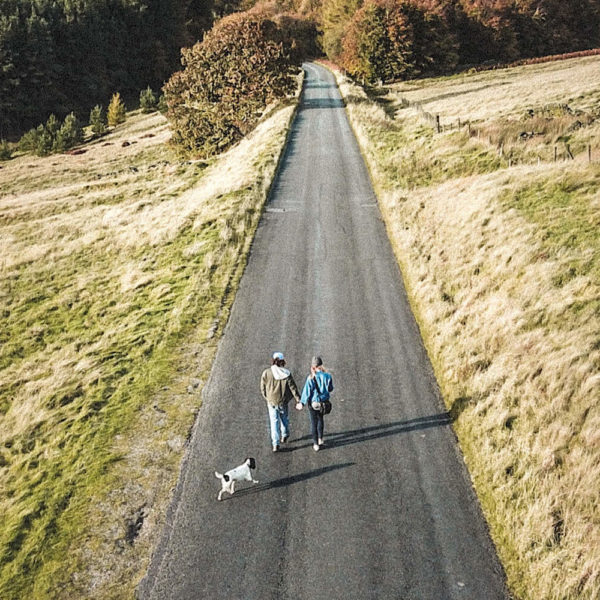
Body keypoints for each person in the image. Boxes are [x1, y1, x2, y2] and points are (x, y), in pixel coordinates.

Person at [260, 351, 301, 452]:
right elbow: (293, 388)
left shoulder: (266, 373)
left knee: (274, 422)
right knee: (284, 419)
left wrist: (267, 398)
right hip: (282, 402)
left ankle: (275, 444)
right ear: (282, 361)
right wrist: (298, 400)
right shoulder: (286, 374)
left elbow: (262, 388)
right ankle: (285, 435)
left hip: (271, 402)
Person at [298, 356, 334, 451]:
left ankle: (315, 444)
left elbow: (307, 392)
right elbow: (330, 389)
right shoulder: (328, 376)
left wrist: (302, 403)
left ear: (313, 366)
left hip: (313, 403)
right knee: (320, 420)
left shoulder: (311, 378)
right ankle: (320, 439)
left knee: (314, 423)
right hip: (324, 403)